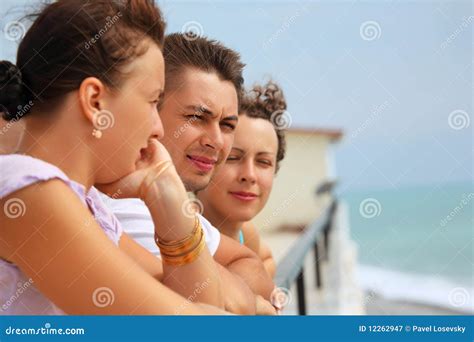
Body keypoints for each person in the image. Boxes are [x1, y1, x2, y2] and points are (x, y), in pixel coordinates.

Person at [0, 0, 226, 315]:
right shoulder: (26, 189)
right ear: (94, 101)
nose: (158, 129)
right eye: (152, 101)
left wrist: (167, 197)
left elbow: (199, 302)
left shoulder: (88, 207)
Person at [103, 33, 277, 314]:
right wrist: (246, 297)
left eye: (227, 125)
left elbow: (251, 265)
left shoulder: (171, 202)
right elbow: (213, 310)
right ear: (153, 110)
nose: (217, 141)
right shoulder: (124, 206)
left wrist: (228, 284)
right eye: (197, 118)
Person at [197, 81, 288, 279]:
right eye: (233, 157)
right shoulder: (181, 233)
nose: (249, 175)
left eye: (263, 162)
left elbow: (266, 259)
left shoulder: (245, 233)